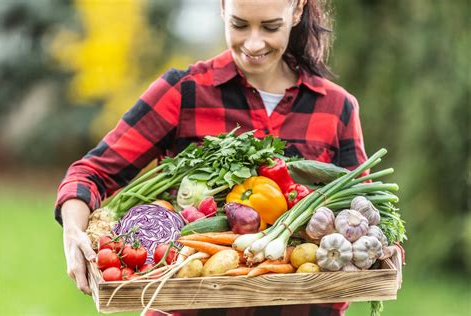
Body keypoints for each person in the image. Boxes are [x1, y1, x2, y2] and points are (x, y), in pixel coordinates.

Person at [56, 0, 375, 315]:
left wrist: (381, 247)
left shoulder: (335, 108)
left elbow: (369, 212)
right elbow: (91, 173)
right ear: (222, 8)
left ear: (297, 11)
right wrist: (73, 232)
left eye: (270, 26)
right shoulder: (184, 92)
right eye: (239, 24)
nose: (253, 42)